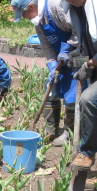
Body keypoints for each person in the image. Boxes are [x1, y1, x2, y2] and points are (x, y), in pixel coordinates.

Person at [11, 0, 86, 146]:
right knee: (50, 89)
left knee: (72, 96)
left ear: (31, 7)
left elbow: (78, 29)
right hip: (59, 60)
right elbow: (46, 45)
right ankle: (51, 130)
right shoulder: (38, 21)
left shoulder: (54, 7)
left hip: (76, 54)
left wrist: (66, 50)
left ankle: (68, 134)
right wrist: (52, 64)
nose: (25, 17)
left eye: (24, 14)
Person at [58, 0, 97, 172]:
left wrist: (89, 64)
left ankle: (87, 153)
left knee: (89, 99)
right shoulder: (78, 9)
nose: (69, 1)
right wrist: (77, 53)